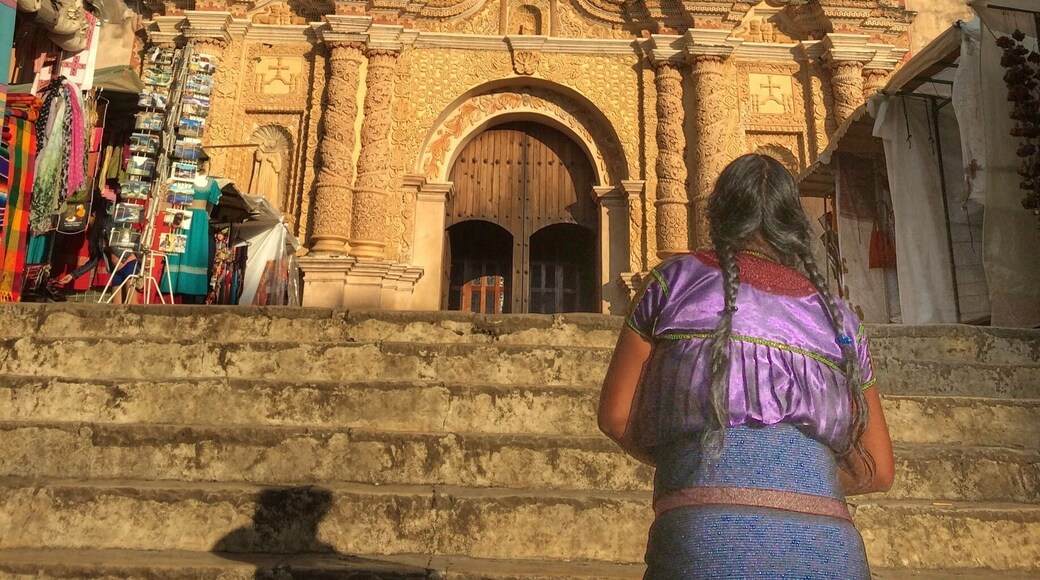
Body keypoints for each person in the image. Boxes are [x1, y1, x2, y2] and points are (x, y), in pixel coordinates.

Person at [598, 154, 894, 579]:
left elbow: (614, 417)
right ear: (794, 224)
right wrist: (795, 485)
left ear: (718, 214)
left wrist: (695, 465)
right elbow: (880, 470)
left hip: (702, 540)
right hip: (829, 552)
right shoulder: (841, 320)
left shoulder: (673, 281)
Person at [55, 200, 139, 303]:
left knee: (132, 303)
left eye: (88, 217)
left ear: (94, 214)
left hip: (128, 263)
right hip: (116, 270)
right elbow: (94, 260)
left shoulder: (109, 222)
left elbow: (130, 235)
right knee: (116, 306)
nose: (86, 220)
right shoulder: (97, 235)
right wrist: (73, 275)